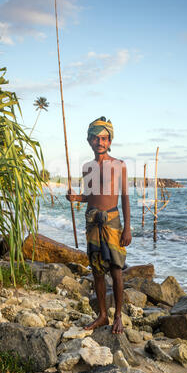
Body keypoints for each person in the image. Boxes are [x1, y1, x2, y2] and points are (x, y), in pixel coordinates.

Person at [66, 117, 132, 334]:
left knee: (116, 270)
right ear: (89, 141)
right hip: (92, 221)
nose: (100, 142)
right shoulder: (87, 168)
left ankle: (118, 316)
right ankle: (102, 315)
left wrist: (127, 228)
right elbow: (89, 195)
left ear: (109, 140)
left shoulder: (119, 165)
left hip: (112, 222)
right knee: (96, 270)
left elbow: (124, 198)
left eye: (104, 138)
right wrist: (76, 198)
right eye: (96, 138)